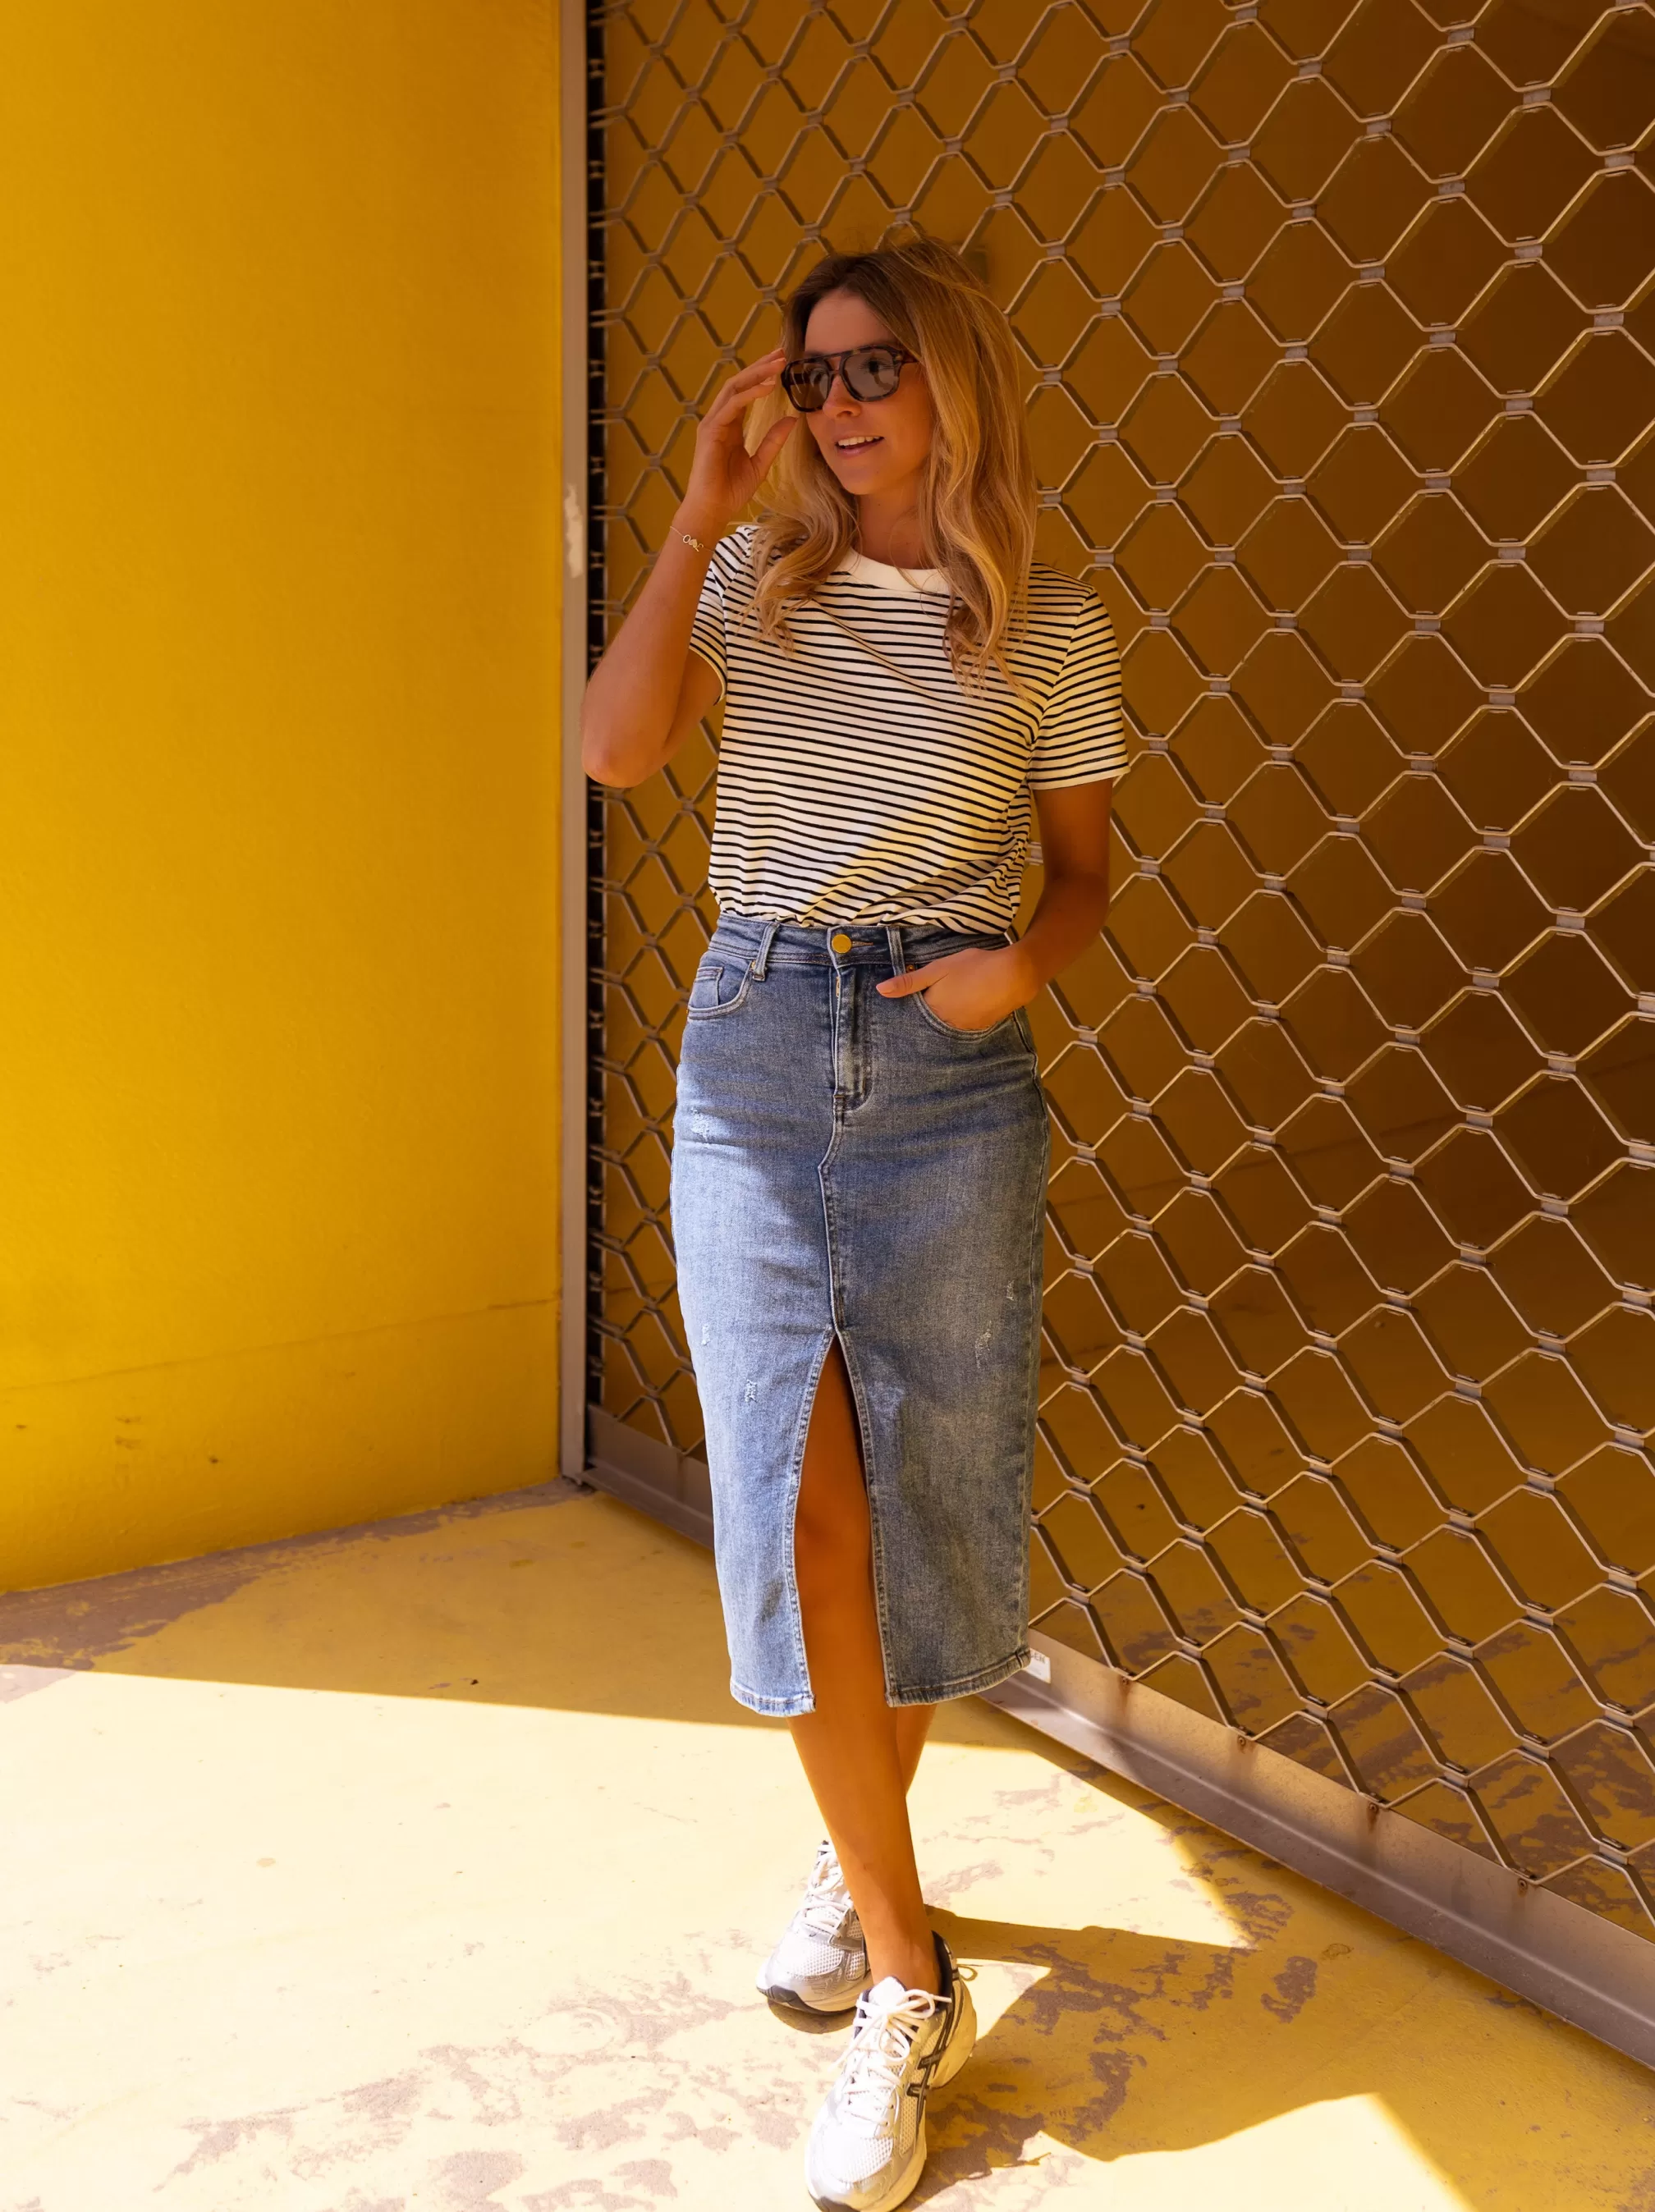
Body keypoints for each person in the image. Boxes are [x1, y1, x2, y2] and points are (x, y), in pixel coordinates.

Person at [581, 233, 1124, 2212]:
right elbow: (614, 749)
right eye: (813, 376)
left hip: (945, 1076)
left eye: (874, 364)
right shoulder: (759, 577)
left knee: (929, 1505)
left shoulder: (1048, 619)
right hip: (753, 1049)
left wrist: (1019, 971)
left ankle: (854, 1855)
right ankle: (911, 1974)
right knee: (795, 1506)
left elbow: (1082, 876)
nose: (841, 403)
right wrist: (699, 513)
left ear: (950, 374)